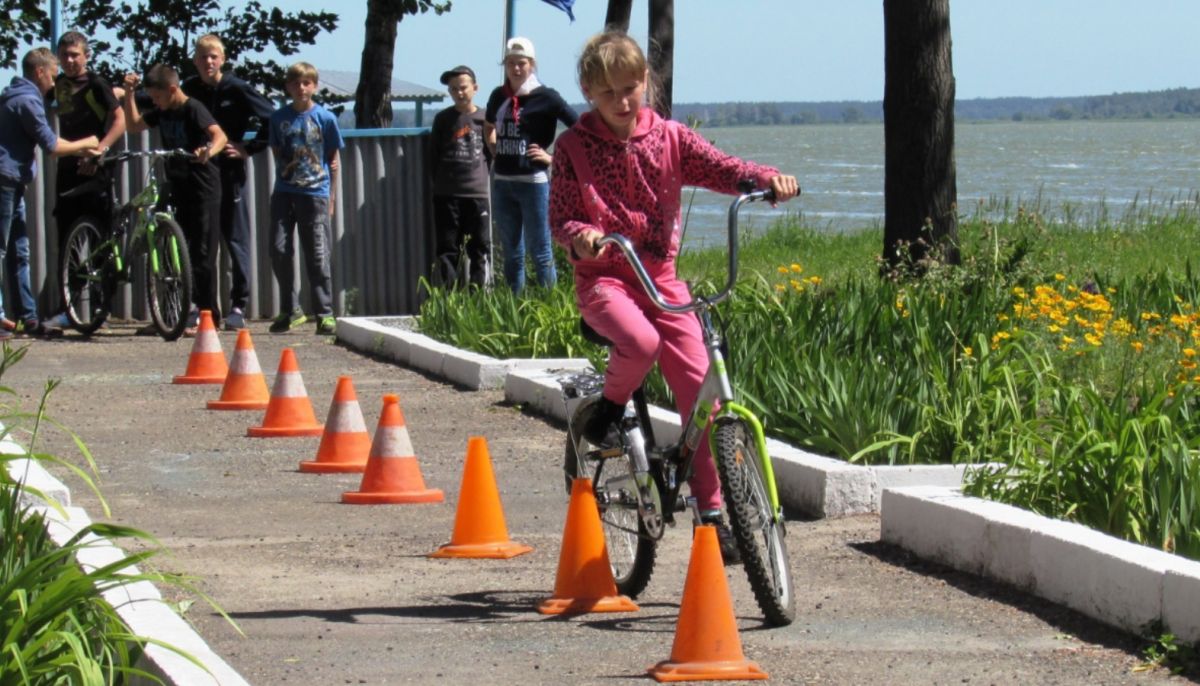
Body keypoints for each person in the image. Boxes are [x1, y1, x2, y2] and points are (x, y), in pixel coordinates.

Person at [548, 32, 799, 564]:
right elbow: (562, 215)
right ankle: (610, 408)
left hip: (661, 278)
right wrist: (580, 235)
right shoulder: (573, 148)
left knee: (700, 391)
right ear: (588, 91)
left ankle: (713, 514)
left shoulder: (670, 138)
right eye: (608, 92)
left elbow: (721, 167)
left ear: (647, 84)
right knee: (638, 342)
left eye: (631, 89)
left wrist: (765, 180)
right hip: (605, 278)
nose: (622, 102)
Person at [0, 48, 98, 341]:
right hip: (5, 181)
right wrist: (87, 143)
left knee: (19, 250)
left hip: (12, 180)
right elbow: (52, 146)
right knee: (4, 249)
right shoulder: (28, 101)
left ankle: (27, 318)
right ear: (40, 72)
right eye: (53, 75)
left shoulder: (12, 95)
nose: (54, 82)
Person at [122, 64, 227, 336]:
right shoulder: (163, 111)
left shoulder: (193, 108)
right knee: (171, 250)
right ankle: (170, 316)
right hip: (177, 185)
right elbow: (133, 125)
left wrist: (208, 151)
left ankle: (209, 318)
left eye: (156, 97)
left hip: (203, 187)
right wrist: (130, 95)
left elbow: (219, 136)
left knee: (203, 254)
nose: (154, 103)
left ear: (172, 89)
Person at [36, 32, 126, 337]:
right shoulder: (58, 86)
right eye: (65, 56)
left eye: (76, 55)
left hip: (97, 168)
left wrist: (101, 149)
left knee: (102, 240)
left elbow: (119, 119)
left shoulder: (97, 84)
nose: (71, 61)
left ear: (86, 56)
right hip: (68, 168)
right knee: (67, 240)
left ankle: (104, 308)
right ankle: (67, 309)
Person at [183, 34, 275, 331]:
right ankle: (203, 306)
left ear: (222, 59)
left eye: (213, 57)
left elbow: (272, 117)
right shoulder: (190, 88)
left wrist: (251, 147)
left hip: (229, 175)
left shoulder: (236, 88)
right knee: (200, 244)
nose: (208, 62)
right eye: (202, 57)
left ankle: (239, 305)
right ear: (195, 60)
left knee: (236, 241)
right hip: (198, 176)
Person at [485, 37, 577, 294]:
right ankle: (514, 308)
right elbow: (489, 124)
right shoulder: (498, 95)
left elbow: (579, 129)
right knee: (512, 251)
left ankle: (549, 304)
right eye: (511, 63)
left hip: (533, 182)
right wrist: (493, 146)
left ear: (532, 65)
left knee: (541, 250)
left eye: (521, 63)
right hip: (503, 181)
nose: (516, 69)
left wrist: (553, 158)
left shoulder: (546, 96)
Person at [267, 62, 343, 335]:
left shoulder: (326, 118)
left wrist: (331, 198)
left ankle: (324, 313)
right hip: (284, 193)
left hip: (316, 194)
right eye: (296, 83)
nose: (301, 88)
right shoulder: (278, 119)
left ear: (314, 85)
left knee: (318, 254)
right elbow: (278, 153)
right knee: (278, 249)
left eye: (306, 83)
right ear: (288, 87)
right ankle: (290, 309)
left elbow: (333, 160)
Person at [430, 64, 490, 288]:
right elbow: (433, 157)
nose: (459, 92)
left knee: (479, 247)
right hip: (447, 194)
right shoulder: (443, 119)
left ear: (475, 88)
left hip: (477, 194)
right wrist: (439, 184)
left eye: (463, 87)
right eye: (453, 89)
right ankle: (450, 300)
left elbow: (491, 152)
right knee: (448, 249)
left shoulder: (485, 118)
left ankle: (477, 300)